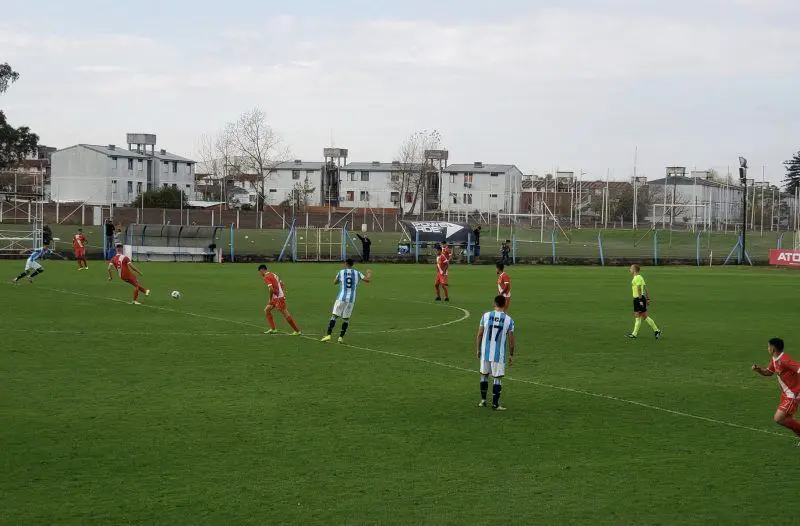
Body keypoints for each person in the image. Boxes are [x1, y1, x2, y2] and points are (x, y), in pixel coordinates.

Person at [752, 338, 800, 439]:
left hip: (793, 394)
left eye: (768, 347)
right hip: (786, 394)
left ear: (773, 348)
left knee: (779, 418)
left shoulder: (784, 360)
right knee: (786, 418)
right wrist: (759, 370)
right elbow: (769, 372)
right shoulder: (775, 359)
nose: (768, 348)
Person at [476, 295, 515, 411]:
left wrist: (478, 350)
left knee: (484, 375)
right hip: (498, 354)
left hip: (485, 352)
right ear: (505, 304)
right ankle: (495, 404)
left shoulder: (486, 316)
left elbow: (479, 334)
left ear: (494, 303)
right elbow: (511, 340)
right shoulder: (509, 320)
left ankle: (483, 401)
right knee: (497, 377)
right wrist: (511, 355)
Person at [321, 258, 372, 343]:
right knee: (346, 319)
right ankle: (341, 338)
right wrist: (369, 273)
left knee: (334, 316)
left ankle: (328, 335)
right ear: (352, 265)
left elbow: (334, 282)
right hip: (351, 299)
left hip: (341, 298)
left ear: (346, 264)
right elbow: (367, 280)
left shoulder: (341, 272)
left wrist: (340, 280)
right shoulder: (357, 273)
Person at [258, 264, 301, 335]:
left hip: (278, 298)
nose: (260, 274)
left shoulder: (266, 277)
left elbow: (271, 289)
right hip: (276, 297)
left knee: (285, 313)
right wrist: (283, 294)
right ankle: (273, 329)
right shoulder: (273, 274)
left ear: (262, 270)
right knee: (267, 310)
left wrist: (270, 299)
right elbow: (282, 283)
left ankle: (297, 331)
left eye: (260, 272)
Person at [627, 264, 662, 340]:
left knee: (641, 316)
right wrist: (648, 299)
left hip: (639, 299)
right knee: (641, 316)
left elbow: (639, 289)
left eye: (631, 268)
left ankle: (635, 334)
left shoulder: (638, 277)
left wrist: (640, 300)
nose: (630, 269)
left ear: (634, 269)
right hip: (637, 299)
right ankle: (656, 331)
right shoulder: (637, 277)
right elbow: (645, 288)